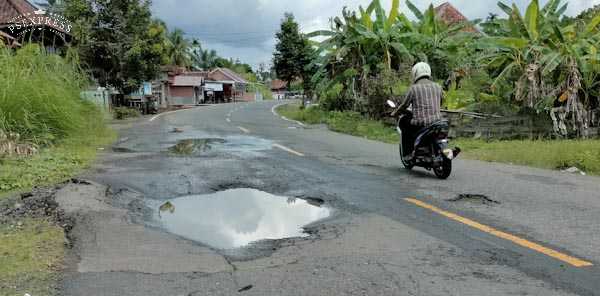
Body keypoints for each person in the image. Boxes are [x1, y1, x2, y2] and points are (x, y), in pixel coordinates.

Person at [398, 62, 444, 158]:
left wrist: (395, 112)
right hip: (437, 121)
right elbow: (441, 101)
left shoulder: (413, 89)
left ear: (415, 73)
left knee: (404, 123)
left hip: (421, 123)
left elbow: (404, 105)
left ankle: (408, 153)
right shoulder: (438, 87)